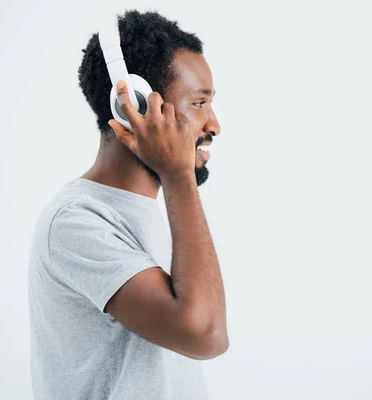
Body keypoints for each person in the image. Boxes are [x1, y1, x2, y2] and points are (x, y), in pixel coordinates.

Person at [28, 9, 228, 400]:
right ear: (132, 107)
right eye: (198, 103)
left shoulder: (157, 210)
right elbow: (206, 335)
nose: (214, 124)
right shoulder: (77, 222)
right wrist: (177, 175)